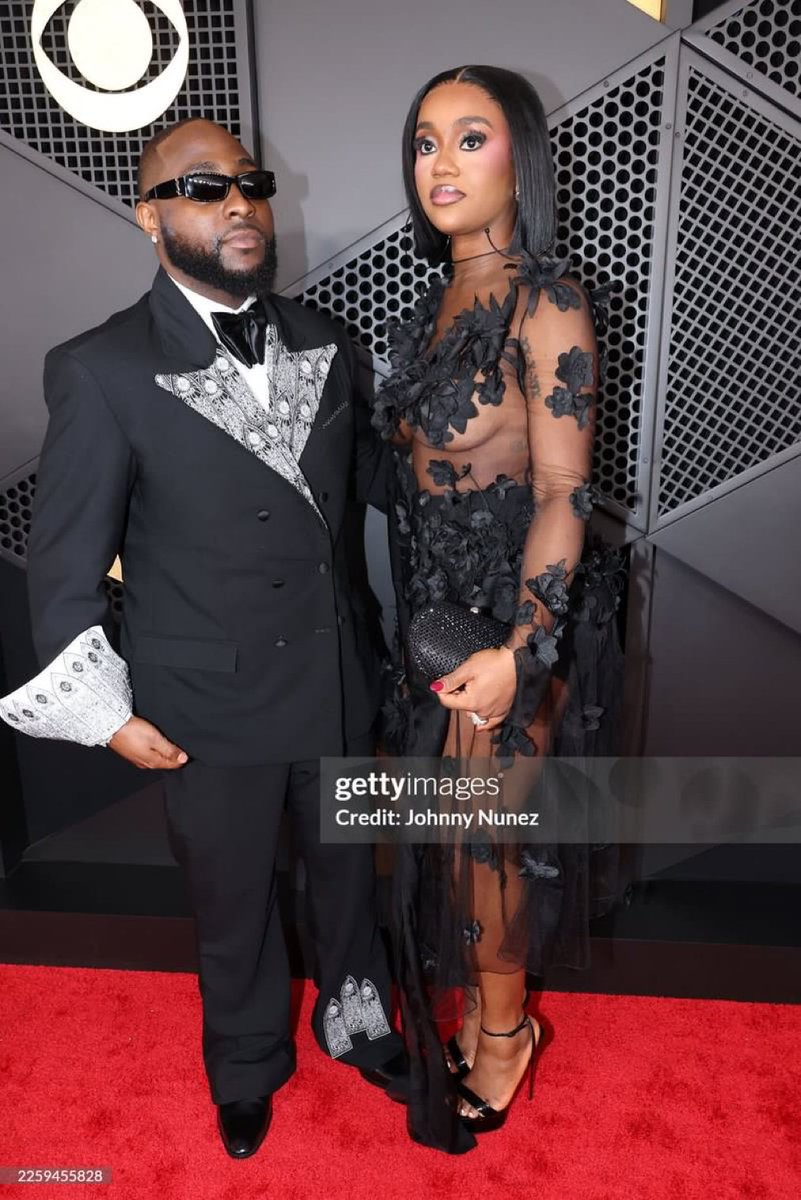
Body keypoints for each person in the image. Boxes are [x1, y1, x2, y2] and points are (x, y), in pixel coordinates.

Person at [0, 117, 409, 1160]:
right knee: (232, 903)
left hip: (335, 676)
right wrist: (105, 715)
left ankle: (358, 1025)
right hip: (205, 700)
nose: (236, 202)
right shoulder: (99, 368)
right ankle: (244, 1063)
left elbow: (376, 490)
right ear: (151, 218)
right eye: (200, 188)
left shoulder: (327, 340)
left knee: (352, 879)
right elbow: (65, 561)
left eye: (249, 183)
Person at [371, 66, 626, 1153]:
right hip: (433, 616)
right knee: (447, 841)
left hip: (518, 619)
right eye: (425, 141)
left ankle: (508, 1032)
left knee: (494, 845)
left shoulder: (547, 298)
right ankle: (482, 1012)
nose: (440, 164)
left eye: (469, 139)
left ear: (519, 154)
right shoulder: (430, 308)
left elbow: (568, 490)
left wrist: (526, 650)